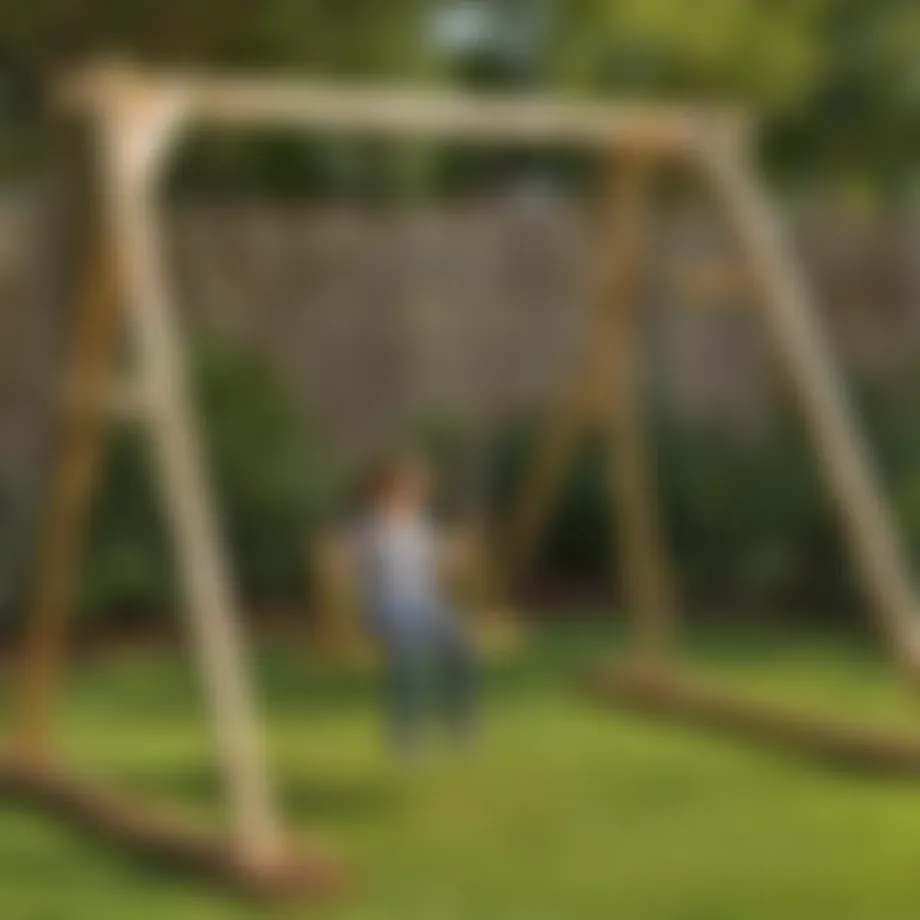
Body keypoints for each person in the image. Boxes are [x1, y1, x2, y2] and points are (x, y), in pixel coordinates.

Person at [350, 449, 480, 756]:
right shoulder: (370, 527)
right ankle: (407, 736)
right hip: (388, 606)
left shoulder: (421, 525)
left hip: (426, 603)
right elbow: (362, 572)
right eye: (403, 487)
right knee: (410, 657)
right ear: (383, 489)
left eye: (413, 488)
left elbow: (437, 565)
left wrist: (458, 550)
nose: (410, 494)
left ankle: (462, 726)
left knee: (463, 647)